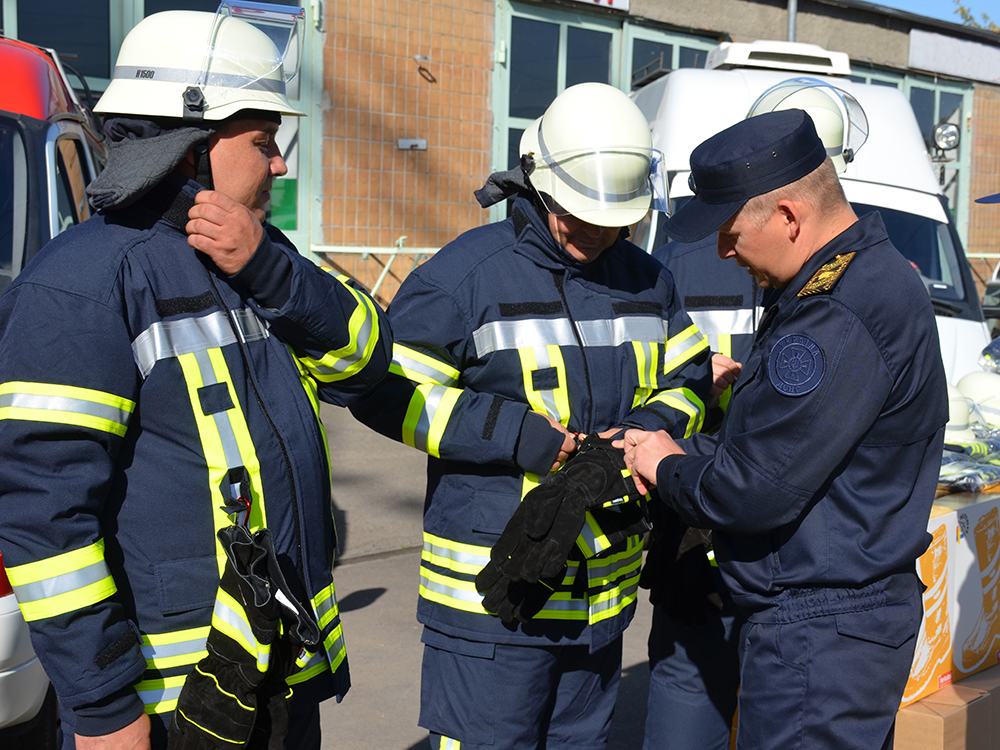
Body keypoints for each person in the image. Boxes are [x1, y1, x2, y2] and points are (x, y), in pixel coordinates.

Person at [0, 5, 390, 749]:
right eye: (263, 142)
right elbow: (45, 524)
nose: (281, 164)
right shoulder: (80, 285)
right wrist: (105, 709)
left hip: (275, 670)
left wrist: (273, 269)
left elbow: (366, 362)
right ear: (193, 149)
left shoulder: (255, 254)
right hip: (177, 702)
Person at [349, 82, 728, 750]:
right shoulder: (465, 277)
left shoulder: (647, 279)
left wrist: (639, 433)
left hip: (601, 605)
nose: (595, 230)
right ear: (535, 182)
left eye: (613, 219)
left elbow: (692, 373)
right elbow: (386, 393)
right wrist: (515, 435)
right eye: (577, 211)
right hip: (495, 610)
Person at [616, 108, 948, 750]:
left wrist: (665, 464)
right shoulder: (859, 280)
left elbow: (754, 487)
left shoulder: (837, 314)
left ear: (790, 217)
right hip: (835, 623)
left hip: (820, 630)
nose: (722, 250)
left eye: (729, 230)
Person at [640, 79, 871, 750]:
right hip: (714, 532)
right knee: (697, 692)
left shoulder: (850, 280)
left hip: (757, 550)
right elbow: (634, 375)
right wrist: (691, 384)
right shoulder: (687, 258)